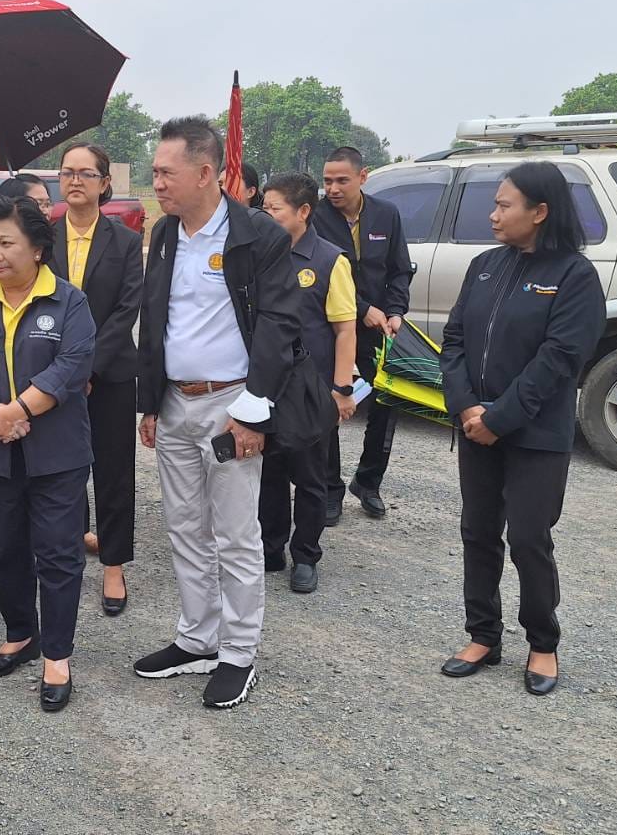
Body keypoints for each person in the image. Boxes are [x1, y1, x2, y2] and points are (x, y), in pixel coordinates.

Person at [131, 116, 329, 709]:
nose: (156, 182)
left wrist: (251, 412)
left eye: (166, 172)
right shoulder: (167, 234)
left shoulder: (257, 237)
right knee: (185, 528)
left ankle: (239, 653)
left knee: (236, 536)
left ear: (206, 172)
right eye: (156, 171)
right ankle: (197, 639)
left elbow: (279, 324)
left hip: (230, 406)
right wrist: (149, 401)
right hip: (174, 404)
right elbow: (159, 318)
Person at [438, 161, 606, 697]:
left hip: (535, 433)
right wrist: (466, 408)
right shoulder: (485, 266)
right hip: (475, 427)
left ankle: (543, 643)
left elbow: (559, 360)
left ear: (540, 212)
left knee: (530, 538)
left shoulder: (574, 277)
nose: (493, 214)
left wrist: (500, 418)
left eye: (504, 205)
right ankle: (483, 636)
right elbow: (456, 340)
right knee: (477, 532)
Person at [0, 196, 96, 712]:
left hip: (57, 454)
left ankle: (57, 653)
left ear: (38, 249)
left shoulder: (68, 301)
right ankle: (21, 633)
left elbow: (70, 367)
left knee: (57, 552)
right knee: (5, 548)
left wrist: (18, 410)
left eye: (6, 243)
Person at [49, 142, 142, 615]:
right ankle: (68, 550)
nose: (76, 181)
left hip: (110, 376)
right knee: (63, 469)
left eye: (87, 174)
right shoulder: (42, 238)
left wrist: (88, 368)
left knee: (113, 468)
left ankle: (113, 563)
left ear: (105, 183)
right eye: (68, 172)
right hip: (54, 376)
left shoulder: (124, 241)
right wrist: (65, 371)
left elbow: (127, 310)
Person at [256, 173, 357, 594]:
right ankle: (272, 545)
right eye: (264, 209)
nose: (267, 215)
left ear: (302, 211)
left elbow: (345, 329)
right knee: (270, 472)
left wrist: (341, 389)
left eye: (273, 209)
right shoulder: (260, 255)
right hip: (268, 384)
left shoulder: (330, 260)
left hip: (313, 390)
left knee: (311, 477)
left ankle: (306, 554)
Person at [310, 145, 411, 522]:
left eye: (341, 180)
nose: (332, 188)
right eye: (327, 181)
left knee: (386, 406)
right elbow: (319, 275)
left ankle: (368, 483)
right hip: (332, 329)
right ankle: (330, 489)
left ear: (362, 177)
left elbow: (400, 269)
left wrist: (396, 310)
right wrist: (362, 308)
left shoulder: (387, 214)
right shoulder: (316, 217)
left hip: (380, 329)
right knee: (331, 405)